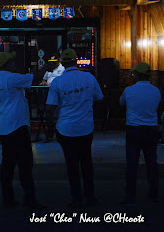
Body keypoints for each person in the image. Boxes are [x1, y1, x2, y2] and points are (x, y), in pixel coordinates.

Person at [46, 48, 104, 208]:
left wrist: (50, 128)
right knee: (86, 163)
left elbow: (50, 107)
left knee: (72, 165)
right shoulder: (88, 78)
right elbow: (99, 97)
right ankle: (90, 196)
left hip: (65, 128)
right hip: (85, 127)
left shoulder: (57, 82)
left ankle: (76, 198)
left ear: (62, 63)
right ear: (76, 60)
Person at [0, 52, 44, 209]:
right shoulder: (11, 78)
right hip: (18, 126)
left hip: (4, 128)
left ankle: (8, 198)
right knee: (25, 164)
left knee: (7, 164)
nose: (14, 63)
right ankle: (30, 198)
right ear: (8, 64)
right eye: (12, 61)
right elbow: (36, 79)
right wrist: (46, 66)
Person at [119, 62, 161, 206]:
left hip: (134, 129)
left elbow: (121, 103)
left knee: (132, 164)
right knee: (152, 163)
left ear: (137, 75)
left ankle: (130, 196)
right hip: (151, 129)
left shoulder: (129, 90)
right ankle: (153, 195)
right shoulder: (156, 91)